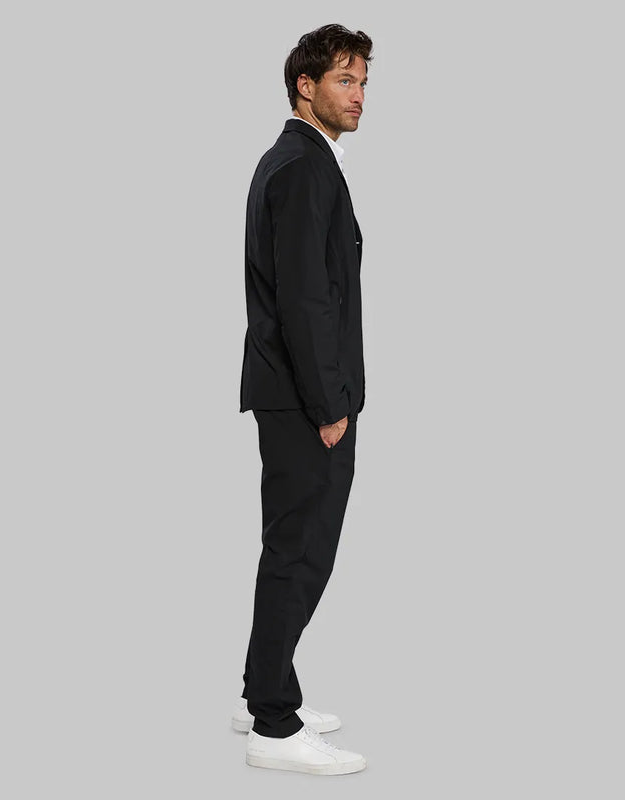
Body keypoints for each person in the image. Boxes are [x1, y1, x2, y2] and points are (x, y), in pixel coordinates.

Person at [233, 23, 374, 776]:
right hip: (304, 399)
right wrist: (330, 405)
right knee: (301, 552)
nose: (358, 95)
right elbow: (305, 300)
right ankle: (274, 726)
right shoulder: (301, 168)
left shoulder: (300, 160)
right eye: (344, 80)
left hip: (294, 392)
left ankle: (264, 685)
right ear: (305, 86)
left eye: (363, 81)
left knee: (290, 547)